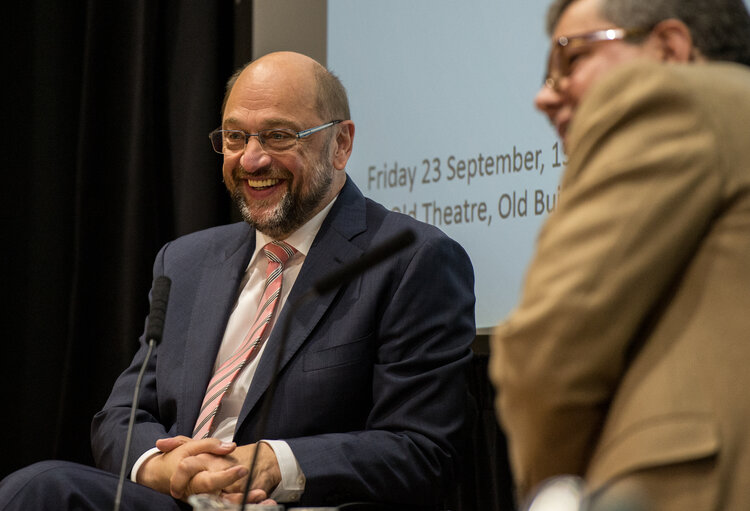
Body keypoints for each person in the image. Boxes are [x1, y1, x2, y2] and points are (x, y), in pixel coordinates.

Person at [0, 51, 476, 510]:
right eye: (234, 138)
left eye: (277, 136)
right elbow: (121, 416)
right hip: (181, 501)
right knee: (42, 489)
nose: (251, 160)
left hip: (291, 505)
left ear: (341, 144)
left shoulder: (410, 259)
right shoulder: (185, 261)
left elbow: (424, 449)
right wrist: (165, 467)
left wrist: (274, 463)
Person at [489, 0, 750, 509]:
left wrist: (555, 489)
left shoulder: (671, 97)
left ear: (669, 48)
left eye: (572, 59)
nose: (545, 96)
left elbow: (553, 342)